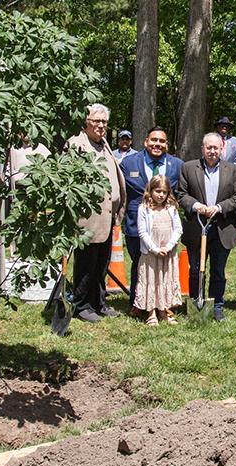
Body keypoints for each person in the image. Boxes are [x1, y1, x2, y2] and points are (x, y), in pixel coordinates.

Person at [65, 103, 126, 323]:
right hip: (88, 218)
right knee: (86, 264)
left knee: (102, 263)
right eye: (96, 121)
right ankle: (81, 305)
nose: (100, 125)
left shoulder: (104, 145)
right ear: (86, 122)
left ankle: (98, 302)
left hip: (107, 217)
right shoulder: (76, 145)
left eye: (104, 122)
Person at [176, 132, 236, 322]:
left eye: (216, 147)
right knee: (196, 268)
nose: (212, 151)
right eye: (209, 147)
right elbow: (181, 194)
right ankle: (197, 302)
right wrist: (197, 206)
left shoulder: (233, 170)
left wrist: (219, 208)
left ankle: (217, 306)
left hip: (222, 227)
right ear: (202, 149)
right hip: (197, 227)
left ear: (222, 149)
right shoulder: (189, 168)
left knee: (218, 270)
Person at [121, 126, 183, 309]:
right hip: (136, 224)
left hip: (165, 227)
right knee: (140, 264)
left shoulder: (177, 165)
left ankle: (163, 303)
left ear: (167, 144)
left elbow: (180, 192)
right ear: (146, 142)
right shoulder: (129, 163)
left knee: (163, 265)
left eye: (162, 141)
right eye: (154, 140)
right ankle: (138, 303)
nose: (157, 144)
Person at [134, 176, 183, 326]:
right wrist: (155, 249)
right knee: (152, 280)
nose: (161, 195)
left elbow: (178, 229)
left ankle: (163, 310)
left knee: (165, 280)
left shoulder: (171, 208)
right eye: (158, 191)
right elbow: (142, 232)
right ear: (150, 190)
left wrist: (168, 246)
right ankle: (151, 312)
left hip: (168, 253)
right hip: (151, 253)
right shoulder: (144, 209)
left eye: (164, 192)